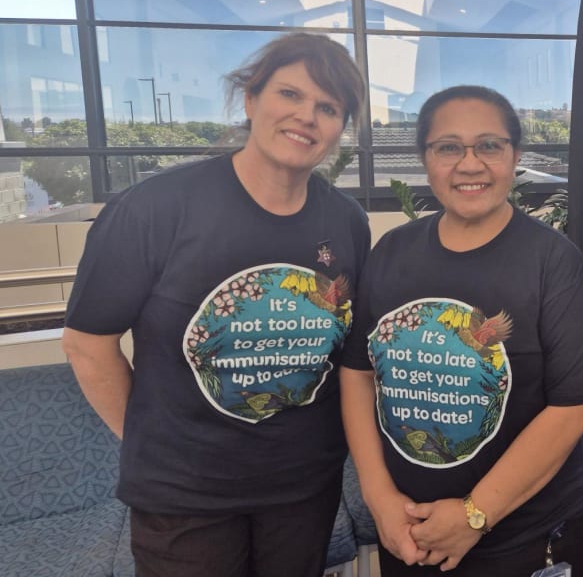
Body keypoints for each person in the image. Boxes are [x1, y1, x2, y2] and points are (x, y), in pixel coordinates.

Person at [62, 32, 370, 577]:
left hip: (303, 489)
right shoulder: (154, 208)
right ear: (251, 99)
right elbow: (89, 344)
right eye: (290, 95)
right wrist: (151, 442)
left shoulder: (345, 221)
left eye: (328, 108)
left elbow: (344, 346)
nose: (306, 117)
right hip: (185, 498)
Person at [340, 85, 583, 576]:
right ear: (425, 158)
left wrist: (473, 514)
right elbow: (358, 373)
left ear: (515, 156)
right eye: (448, 147)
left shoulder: (551, 261)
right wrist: (379, 498)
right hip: (410, 531)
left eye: (489, 145)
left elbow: (576, 407)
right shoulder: (391, 254)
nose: (470, 164)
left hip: (526, 536)